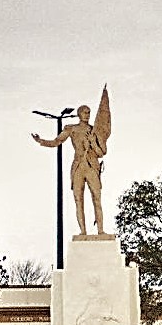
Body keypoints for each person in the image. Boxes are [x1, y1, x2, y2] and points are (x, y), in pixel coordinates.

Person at [29, 88, 111, 237]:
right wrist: (41, 141)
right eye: (85, 112)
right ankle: (83, 231)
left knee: (96, 198)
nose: (87, 115)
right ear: (79, 114)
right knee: (78, 199)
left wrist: (93, 142)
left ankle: (100, 230)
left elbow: (102, 152)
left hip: (92, 166)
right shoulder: (71, 129)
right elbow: (56, 141)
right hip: (78, 166)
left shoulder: (94, 131)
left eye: (89, 113)